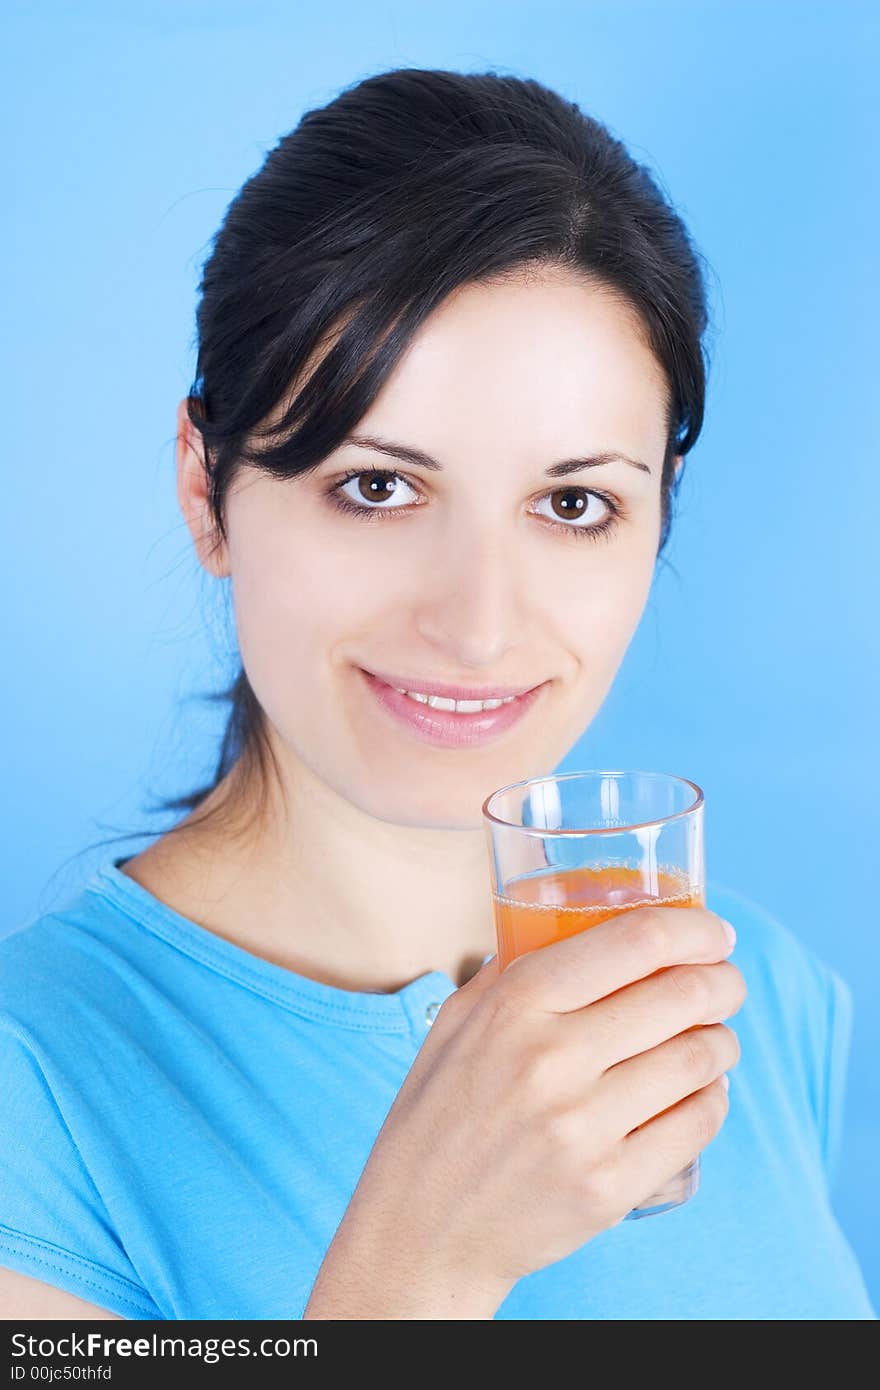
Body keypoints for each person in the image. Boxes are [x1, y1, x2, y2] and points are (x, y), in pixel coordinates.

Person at [1, 67, 874, 1322]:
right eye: (376, 487)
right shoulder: (34, 1096)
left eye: (574, 504)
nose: (477, 623)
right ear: (207, 491)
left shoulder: (751, 997)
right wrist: (424, 1265)